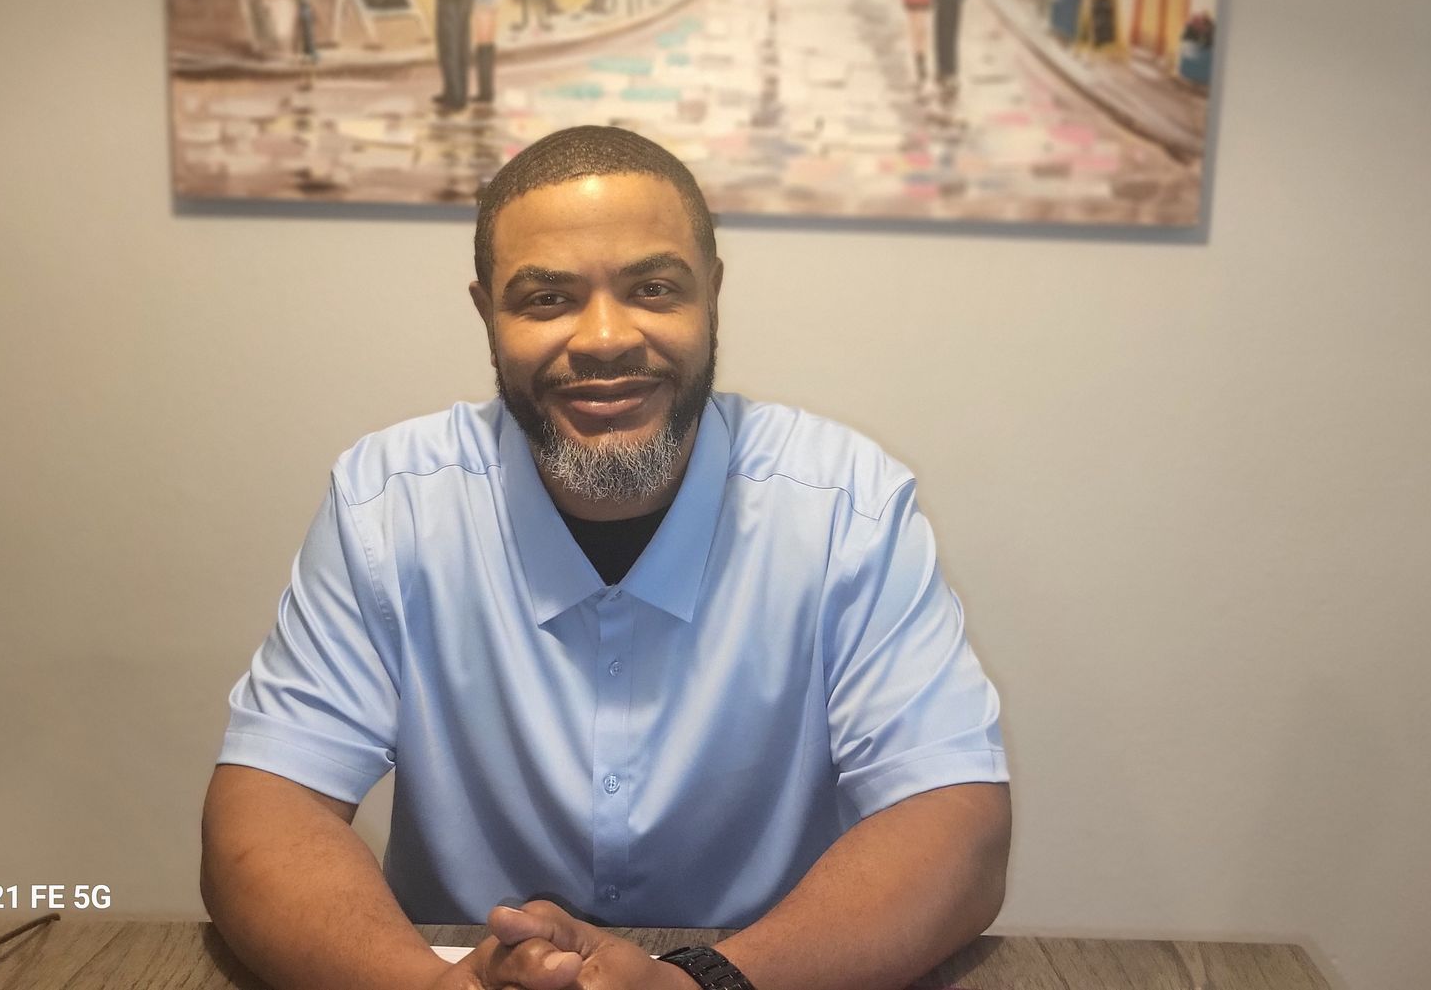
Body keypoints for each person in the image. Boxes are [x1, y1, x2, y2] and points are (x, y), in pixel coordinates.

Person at [201, 125, 1010, 990]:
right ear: (486, 314)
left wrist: (697, 983)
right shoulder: (387, 502)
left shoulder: (847, 506)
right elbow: (267, 814)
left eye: (653, 288)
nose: (604, 338)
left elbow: (956, 826)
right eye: (547, 298)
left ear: (713, 296)